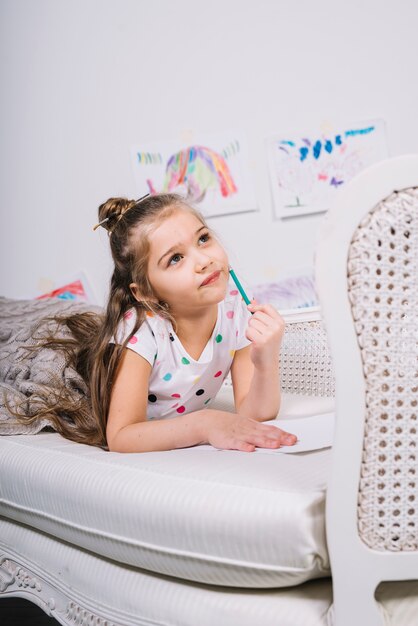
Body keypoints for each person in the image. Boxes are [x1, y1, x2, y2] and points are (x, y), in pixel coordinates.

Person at [18, 192, 296, 453]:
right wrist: (205, 424)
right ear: (145, 292)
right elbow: (122, 436)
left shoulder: (235, 310)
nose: (204, 260)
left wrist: (266, 360)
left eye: (203, 239)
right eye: (175, 258)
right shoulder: (140, 330)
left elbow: (255, 414)